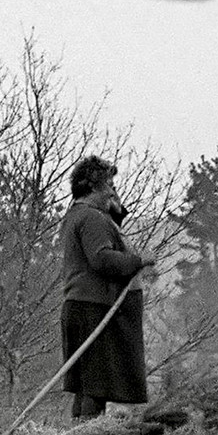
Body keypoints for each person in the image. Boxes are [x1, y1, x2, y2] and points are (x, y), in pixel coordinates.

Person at [59, 155, 156, 420]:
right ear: (92, 188)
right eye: (109, 185)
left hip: (84, 307)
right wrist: (139, 260)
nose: (113, 191)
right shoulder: (91, 218)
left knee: (88, 385)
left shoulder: (78, 215)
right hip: (95, 310)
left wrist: (115, 212)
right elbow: (102, 259)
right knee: (96, 385)